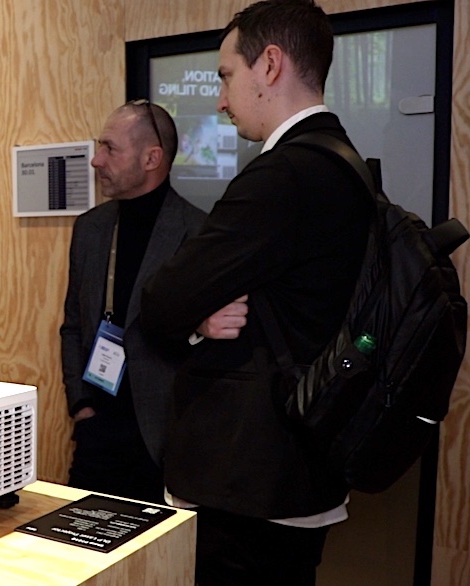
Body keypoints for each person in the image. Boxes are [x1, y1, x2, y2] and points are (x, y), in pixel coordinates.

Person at [140, 1, 374, 584]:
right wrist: (202, 314)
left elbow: (163, 301)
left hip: (250, 479)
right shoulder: (347, 165)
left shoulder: (283, 175)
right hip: (304, 463)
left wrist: (193, 316)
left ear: (269, 64)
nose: (221, 99)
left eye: (226, 76)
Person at [60, 101, 206, 504]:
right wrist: (81, 406)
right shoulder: (90, 229)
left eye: (110, 148)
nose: (96, 160)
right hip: (96, 432)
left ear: (151, 159)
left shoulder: (198, 233)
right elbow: (73, 325)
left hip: (163, 443)